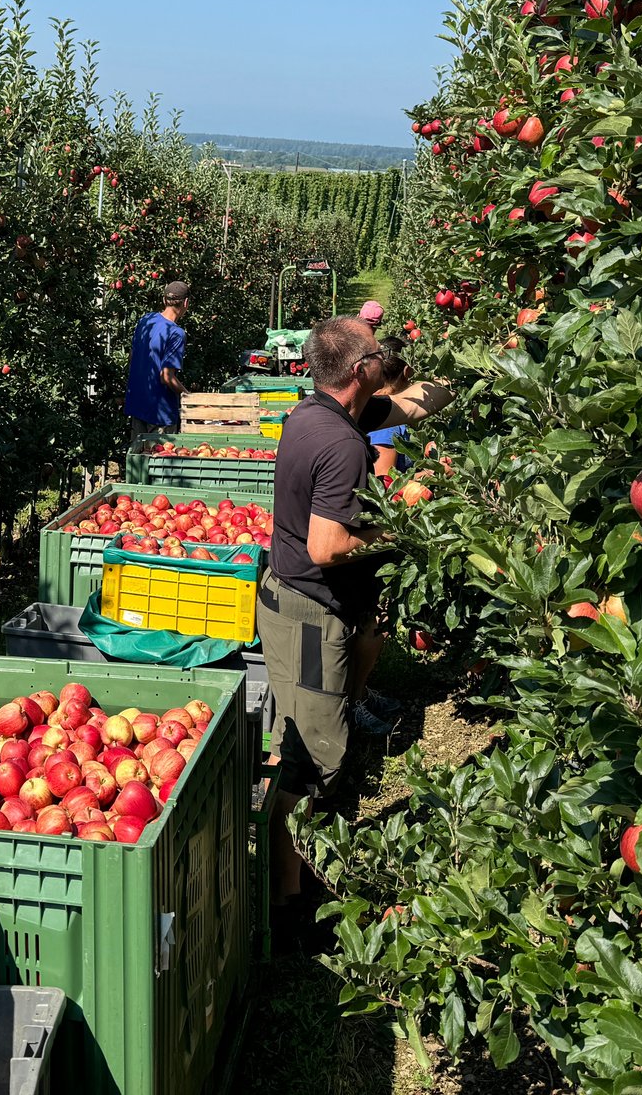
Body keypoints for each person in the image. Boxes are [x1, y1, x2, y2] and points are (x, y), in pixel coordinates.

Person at [257, 315, 454, 914]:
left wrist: (470, 369)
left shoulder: (319, 414)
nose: (384, 358)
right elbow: (328, 546)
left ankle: (288, 870)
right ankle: (289, 896)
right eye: (378, 353)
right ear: (362, 370)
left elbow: (412, 407)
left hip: (293, 600)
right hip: (310, 611)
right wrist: (400, 522)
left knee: (305, 735)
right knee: (316, 752)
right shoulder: (343, 443)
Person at [124, 281, 190, 439]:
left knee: (138, 458)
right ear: (186, 303)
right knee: (159, 460)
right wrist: (188, 395)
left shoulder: (146, 321)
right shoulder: (176, 333)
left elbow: (132, 357)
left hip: (138, 403)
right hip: (160, 413)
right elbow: (166, 376)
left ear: (164, 300)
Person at [356, 301, 408, 476]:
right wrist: (435, 474)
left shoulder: (380, 406)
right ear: (407, 372)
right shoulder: (386, 422)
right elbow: (383, 479)